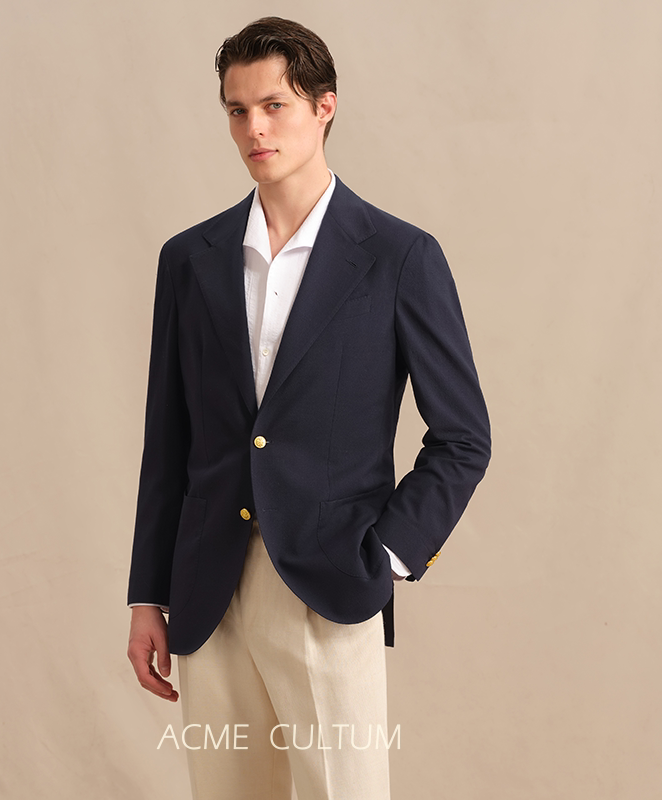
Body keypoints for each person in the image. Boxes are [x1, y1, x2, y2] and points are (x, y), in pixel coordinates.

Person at [127, 16, 491, 800]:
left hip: (330, 586)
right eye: (237, 110)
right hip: (208, 590)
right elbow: (169, 441)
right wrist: (147, 594)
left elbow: (463, 437)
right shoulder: (189, 260)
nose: (253, 129)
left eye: (274, 106)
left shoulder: (398, 257)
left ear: (324, 107)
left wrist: (386, 556)